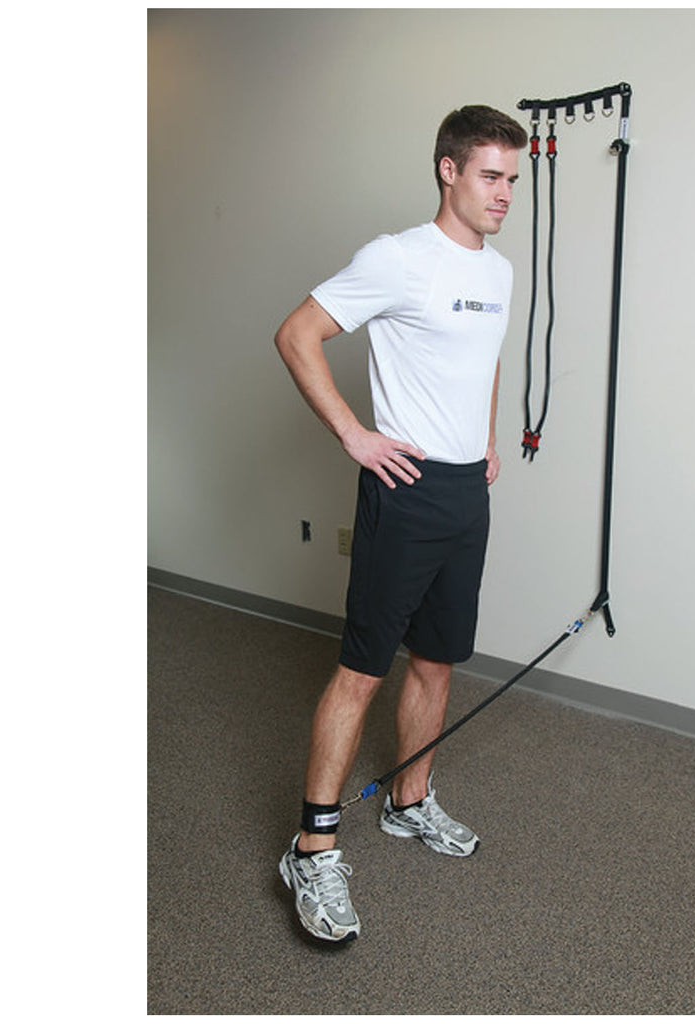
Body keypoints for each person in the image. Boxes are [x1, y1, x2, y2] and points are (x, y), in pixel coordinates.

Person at [274, 105, 528, 942]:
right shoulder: (397, 258)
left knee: (437, 659)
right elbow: (298, 333)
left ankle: (409, 802)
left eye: (513, 179)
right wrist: (354, 433)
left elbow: (485, 359)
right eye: (490, 175)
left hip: (465, 495)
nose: (505, 193)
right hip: (405, 490)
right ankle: (312, 848)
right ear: (448, 171)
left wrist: (485, 440)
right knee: (362, 672)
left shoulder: (499, 272)